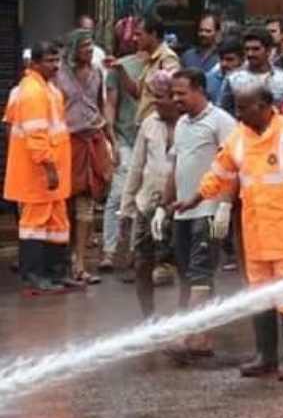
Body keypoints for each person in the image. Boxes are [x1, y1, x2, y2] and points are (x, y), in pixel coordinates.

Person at [177, 85, 283, 382]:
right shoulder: (239, 137)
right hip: (257, 229)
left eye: (244, 107)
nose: (239, 113)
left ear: (264, 106)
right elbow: (220, 172)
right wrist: (197, 197)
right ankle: (265, 355)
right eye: (237, 107)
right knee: (260, 292)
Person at [167, 68, 237, 357]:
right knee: (187, 274)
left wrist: (225, 205)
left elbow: (233, 166)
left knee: (199, 272)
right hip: (183, 210)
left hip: (208, 210)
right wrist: (163, 205)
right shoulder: (181, 123)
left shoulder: (221, 121)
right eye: (173, 93)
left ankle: (187, 335)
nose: (176, 98)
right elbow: (174, 166)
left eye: (181, 93)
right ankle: (202, 334)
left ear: (199, 90)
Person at [5, 41, 73, 295]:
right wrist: (49, 168)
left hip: (52, 173)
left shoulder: (48, 89)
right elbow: (36, 137)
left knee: (56, 223)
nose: (55, 66)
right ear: (34, 64)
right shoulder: (32, 92)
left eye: (57, 61)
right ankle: (33, 275)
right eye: (50, 61)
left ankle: (56, 272)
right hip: (39, 174)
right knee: (34, 225)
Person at [120, 71, 181, 317]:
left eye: (162, 97)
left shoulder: (189, 123)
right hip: (148, 203)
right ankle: (148, 316)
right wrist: (126, 209)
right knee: (143, 262)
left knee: (185, 264)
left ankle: (184, 317)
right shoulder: (149, 123)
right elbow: (136, 167)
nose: (157, 103)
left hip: (180, 205)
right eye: (154, 97)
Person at [57, 28, 113, 286]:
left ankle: (80, 263)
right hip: (67, 142)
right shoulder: (58, 75)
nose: (90, 51)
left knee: (87, 204)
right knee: (64, 203)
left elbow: (102, 105)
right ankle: (65, 261)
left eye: (92, 46)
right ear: (72, 50)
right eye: (85, 47)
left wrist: (109, 139)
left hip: (92, 138)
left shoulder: (97, 72)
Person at [100, 25, 152, 273]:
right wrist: (112, 137)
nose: (133, 39)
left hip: (149, 138)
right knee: (119, 194)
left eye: (138, 35)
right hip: (125, 138)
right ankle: (109, 251)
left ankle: (134, 249)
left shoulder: (160, 64)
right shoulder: (118, 67)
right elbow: (111, 103)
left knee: (141, 197)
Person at [120, 15, 181, 123]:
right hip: (145, 125)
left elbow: (171, 94)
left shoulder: (167, 58)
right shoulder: (150, 60)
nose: (135, 39)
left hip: (159, 125)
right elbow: (137, 92)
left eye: (139, 34)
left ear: (153, 34)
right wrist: (120, 69)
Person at [219, 28, 283, 113]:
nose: (250, 54)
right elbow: (223, 112)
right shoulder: (233, 78)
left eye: (256, 49)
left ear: (268, 51)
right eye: (247, 49)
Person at [206, 38, 242, 104]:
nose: (224, 64)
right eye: (221, 59)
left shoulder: (248, 81)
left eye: (230, 59)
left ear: (242, 59)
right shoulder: (209, 79)